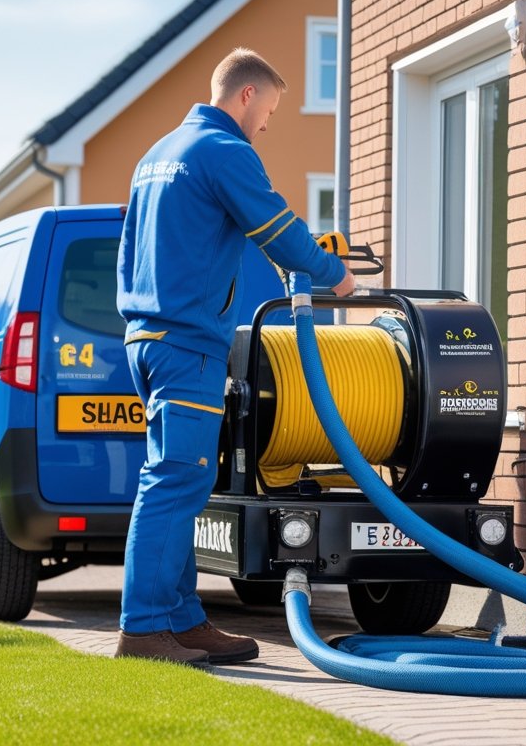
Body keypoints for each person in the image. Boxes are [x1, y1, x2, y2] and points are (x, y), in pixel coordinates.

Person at [115, 48, 355, 666]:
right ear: (245, 96)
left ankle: (184, 620)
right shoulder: (223, 150)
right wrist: (336, 274)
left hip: (148, 337)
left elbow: (130, 251)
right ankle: (143, 630)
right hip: (188, 343)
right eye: (269, 110)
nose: (268, 124)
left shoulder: (156, 156)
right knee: (173, 482)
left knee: (183, 479)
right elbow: (276, 228)